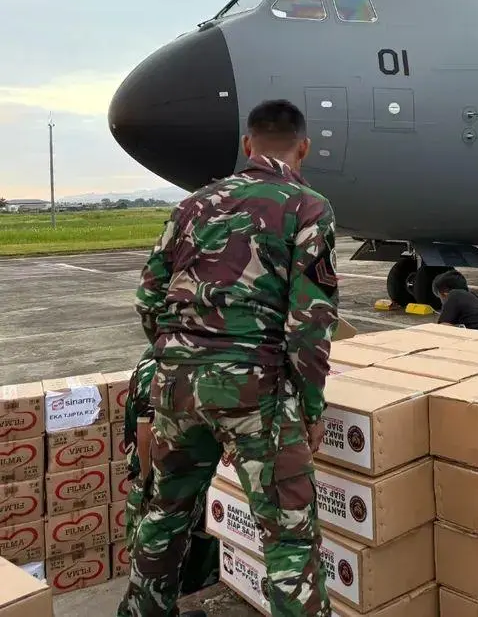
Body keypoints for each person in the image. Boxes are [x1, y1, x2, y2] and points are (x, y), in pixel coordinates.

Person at [120, 99, 338, 617]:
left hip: (175, 386)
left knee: (164, 515)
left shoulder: (192, 205)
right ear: (303, 147)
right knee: (289, 537)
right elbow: (309, 324)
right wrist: (310, 407)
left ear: (247, 146)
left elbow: (149, 298)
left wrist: (177, 356)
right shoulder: (307, 207)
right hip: (254, 392)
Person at [123, 350, 220, 599]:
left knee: (175, 568)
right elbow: (147, 436)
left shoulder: (163, 354)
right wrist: (153, 492)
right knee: (162, 571)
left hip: (175, 485)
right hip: (162, 487)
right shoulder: (159, 369)